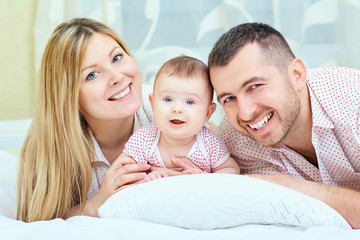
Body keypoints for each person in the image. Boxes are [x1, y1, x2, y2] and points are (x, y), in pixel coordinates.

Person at [206, 22, 360, 228]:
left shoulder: (352, 99)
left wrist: (302, 189)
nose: (244, 112)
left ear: (296, 75)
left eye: (254, 86)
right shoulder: (232, 139)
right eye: (229, 99)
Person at [16, 18, 159, 222]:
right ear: (69, 96)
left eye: (117, 58)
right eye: (92, 75)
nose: (116, 76)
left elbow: (217, 157)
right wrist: (97, 203)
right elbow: (38, 222)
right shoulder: (53, 145)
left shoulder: (163, 107)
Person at [122, 56, 240, 181]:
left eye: (190, 102)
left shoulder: (209, 144)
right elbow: (124, 173)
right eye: (168, 99)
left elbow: (231, 170)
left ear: (208, 113)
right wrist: (144, 179)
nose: (177, 109)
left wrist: (206, 179)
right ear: (152, 104)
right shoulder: (143, 140)